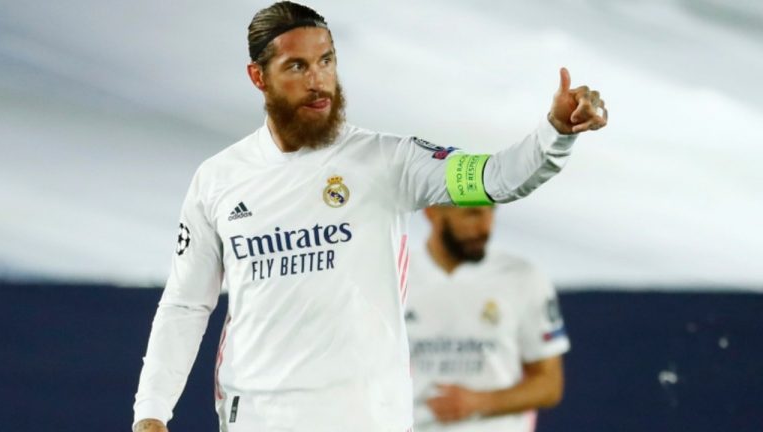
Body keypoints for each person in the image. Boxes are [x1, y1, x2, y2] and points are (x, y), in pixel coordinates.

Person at [132, 2, 606, 431]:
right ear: (258, 77)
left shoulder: (388, 160)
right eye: (297, 66)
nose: (318, 80)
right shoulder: (217, 179)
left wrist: (555, 134)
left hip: (365, 417)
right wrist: (151, 412)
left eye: (327, 61)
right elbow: (185, 305)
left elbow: (496, 178)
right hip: (255, 417)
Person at [405, 205, 569, 432]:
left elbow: (549, 385)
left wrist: (479, 402)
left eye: (491, 212)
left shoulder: (522, 278)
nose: (485, 227)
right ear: (432, 212)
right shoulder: (396, 276)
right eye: (471, 213)